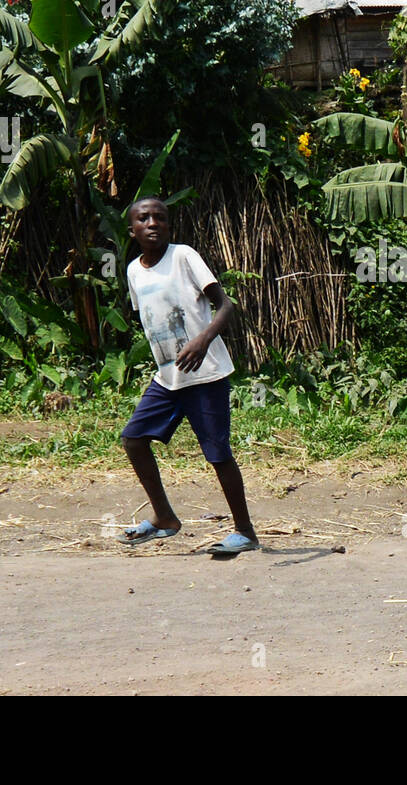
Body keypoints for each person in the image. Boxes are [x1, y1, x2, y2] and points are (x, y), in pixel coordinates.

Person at [117, 196, 258, 555]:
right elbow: (149, 316)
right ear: (132, 229)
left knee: (217, 453)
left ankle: (245, 532)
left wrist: (202, 339)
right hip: (168, 379)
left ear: (168, 225)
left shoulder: (183, 256)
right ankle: (165, 519)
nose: (152, 223)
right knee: (134, 439)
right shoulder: (134, 270)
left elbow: (226, 305)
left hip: (206, 375)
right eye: (143, 218)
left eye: (159, 218)